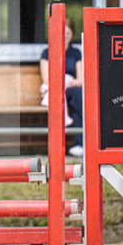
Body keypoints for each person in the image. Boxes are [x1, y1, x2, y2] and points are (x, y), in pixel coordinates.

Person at [40, 17, 84, 158]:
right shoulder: (47, 52)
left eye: (68, 34)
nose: (64, 37)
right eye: (62, 33)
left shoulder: (76, 53)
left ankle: (79, 144)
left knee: (78, 96)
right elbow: (46, 78)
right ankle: (58, 147)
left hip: (70, 87)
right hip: (54, 87)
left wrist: (70, 83)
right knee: (62, 99)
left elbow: (80, 79)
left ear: (72, 34)